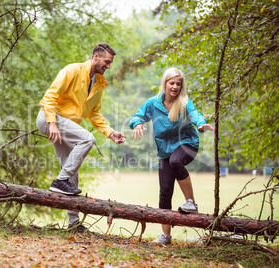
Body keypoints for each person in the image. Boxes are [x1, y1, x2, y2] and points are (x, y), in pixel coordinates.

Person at [36, 43, 126, 232]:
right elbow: (50, 96)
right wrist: (52, 123)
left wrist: (110, 132)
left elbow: (94, 113)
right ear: (95, 57)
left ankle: (73, 223)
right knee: (87, 139)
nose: (109, 66)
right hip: (49, 118)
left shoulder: (99, 83)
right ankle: (59, 182)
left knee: (71, 173)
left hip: (64, 126)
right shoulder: (72, 70)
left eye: (110, 63)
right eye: (106, 62)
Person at [129, 67, 214, 245]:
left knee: (176, 161)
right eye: (172, 83)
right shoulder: (153, 103)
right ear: (165, 84)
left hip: (187, 144)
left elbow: (195, 113)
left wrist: (201, 123)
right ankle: (166, 236)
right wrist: (137, 124)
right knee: (165, 191)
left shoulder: (183, 102)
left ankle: (191, 202)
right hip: (165, 150)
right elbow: (137, 116)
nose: (175, 87)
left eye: (178, 84)